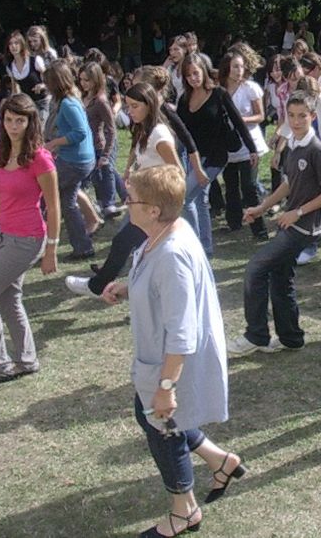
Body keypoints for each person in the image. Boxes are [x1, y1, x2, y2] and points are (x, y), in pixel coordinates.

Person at [100, 165, 242, 535]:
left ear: (153, 210)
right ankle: (220, 460)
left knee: (163, 424)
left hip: (173, 361)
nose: (125, 203)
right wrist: (129, 287)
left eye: (131, 199)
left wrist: (166, 387)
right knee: (149, 414)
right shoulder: (163, 232)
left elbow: (181, 332)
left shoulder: (173, 253)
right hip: (161, 358)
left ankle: (185, 510)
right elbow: (159, 284)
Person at [228, 91, 321, 356]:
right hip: (292, 222)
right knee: (279, 276)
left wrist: (297, 212)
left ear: (312, 116)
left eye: (302, 116)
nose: (296, 122)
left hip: (304, 226)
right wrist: (260, 208)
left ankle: (256, 335)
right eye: (292, 116)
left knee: (255, 268)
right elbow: (288, 184)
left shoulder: (316, 150)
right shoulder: (292, 145)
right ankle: (291, 338)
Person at [0, 94, 59, 385]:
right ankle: (26, 360)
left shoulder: (40, 158)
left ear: (31, 121)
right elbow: (0, 195)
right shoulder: (4, 151)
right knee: (9, 300)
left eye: (20, 120)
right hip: (5, 236)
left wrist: (51, 250)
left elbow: (54, 206)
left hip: (28, 238)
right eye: (8, 119)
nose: (13, 126)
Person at [63, 81, 184, 299]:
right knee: (132, 246)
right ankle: (121, 288)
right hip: (143, 202)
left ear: (149, 104)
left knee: (126, 243)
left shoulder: (159, 134)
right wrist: (132, 174)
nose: (130, 111)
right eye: (128, 106)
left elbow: (178, 173)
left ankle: (98, 286)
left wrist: (155, 192)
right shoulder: (144, 129)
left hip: (156, 207)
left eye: (135, 106)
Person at [176, 53, 257, 257]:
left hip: (215, 157)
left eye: (196, 73)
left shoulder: (219, 94)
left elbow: (238, 121)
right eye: (188, 75)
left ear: (204, 70)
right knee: (200, 200)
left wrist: (252, 148)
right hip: (192, 157)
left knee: (185, 199)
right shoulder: (184, 100)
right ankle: (205, 249)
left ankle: (195, 247)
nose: (193, 78)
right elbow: (179, 129)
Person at [43, 59, 96, 260]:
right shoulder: (71, 100)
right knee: (68, 203)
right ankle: (84, 247)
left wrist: (54, 142)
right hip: (79, 160)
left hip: (75, 162)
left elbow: (80, 132)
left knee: (42, 196)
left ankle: (34, 246)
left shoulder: (67, 104)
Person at [219, 50, 270, 239]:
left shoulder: (251, 88)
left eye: (241, 66)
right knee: (231, 185)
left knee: (249, 186)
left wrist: (241, 119)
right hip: (229, 145)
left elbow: (261, 115)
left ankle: (260, 229)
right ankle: (234, 222)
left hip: (249, 144)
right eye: (235, 67)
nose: (239, 71)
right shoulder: (220, 89)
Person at [78, 61, 120, 219]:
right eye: (81, 79)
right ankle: (102, 205)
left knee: (105, 175)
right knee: (95, 179)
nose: (83, 84)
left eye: (86, 80)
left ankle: (108, 205)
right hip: (87, 146)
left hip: (98, 145)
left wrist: (106, 154)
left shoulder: (100, 100)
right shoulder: (84, 97)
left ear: (95, 79)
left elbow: (111, 128)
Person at [6, 30, 49, 125]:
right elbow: (15, 88)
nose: (13, 46)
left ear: (22, 45)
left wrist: (42, 85)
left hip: (43, 102)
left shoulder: (35, 61)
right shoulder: (10, 66)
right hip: (28, 105)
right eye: (11, 44)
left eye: (16, 43)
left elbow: (49, 79)